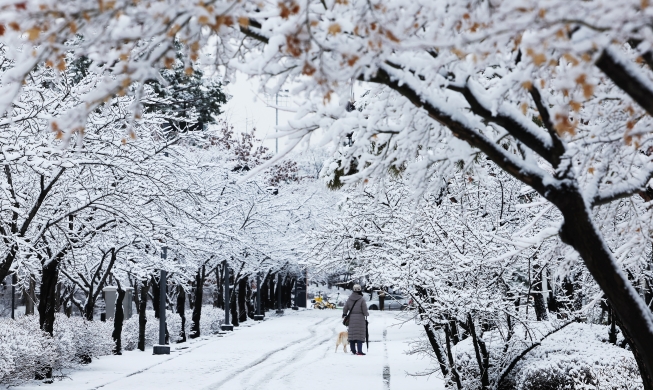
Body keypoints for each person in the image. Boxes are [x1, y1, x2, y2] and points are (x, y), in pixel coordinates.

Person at [342, 284, 369, 355]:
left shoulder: (349, 299)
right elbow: (364, 310)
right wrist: (366, 314)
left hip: (351, 318)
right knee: (360, 334)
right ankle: (359, 351)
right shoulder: (361, 299)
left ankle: (353, 350)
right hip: (360, 318)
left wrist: (344, 313)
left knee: (352, 334)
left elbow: (345, 308)